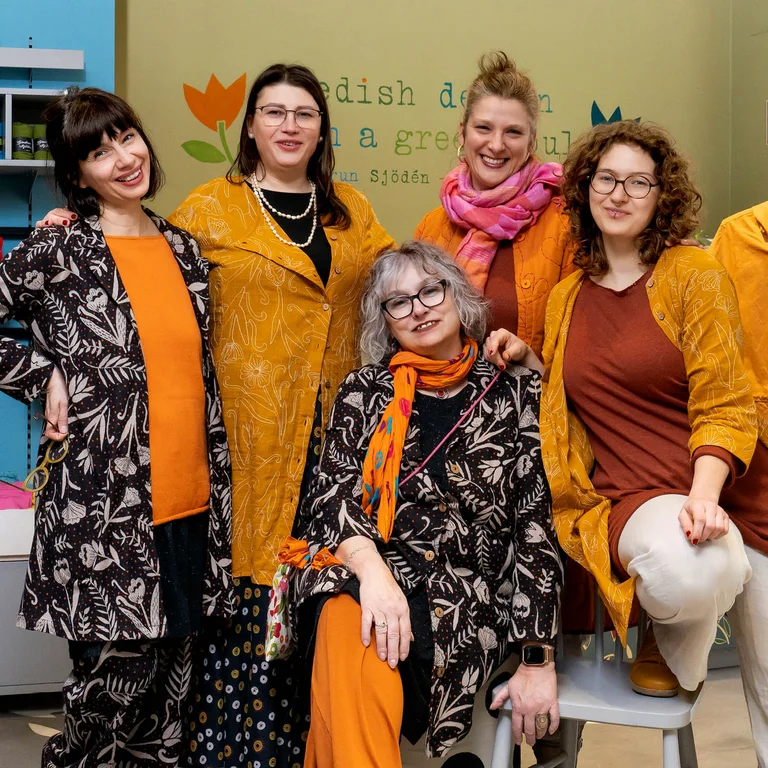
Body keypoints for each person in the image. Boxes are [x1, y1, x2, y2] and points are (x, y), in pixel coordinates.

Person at [38, 64, 395, 767]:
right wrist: (56, 362)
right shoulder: (211, 208)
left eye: (304, 113)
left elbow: (402, 287)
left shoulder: (351, 209)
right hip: (244, 446)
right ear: (251, 127)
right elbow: (127, 268)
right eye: (273, 112)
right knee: (240, 608)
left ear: (323, 129)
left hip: (335, 445)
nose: (289, 125)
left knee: (317, 602)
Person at [0, 87, 234, 768]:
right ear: (79, 175)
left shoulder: (185, 250)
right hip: (107, 515)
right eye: (99, 153)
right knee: (104, 705)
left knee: (167, 709)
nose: (124, 158)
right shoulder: (60, 249)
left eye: (127, 137)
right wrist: (41, 374)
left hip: (190, 504)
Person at [539, 120, 768, 763]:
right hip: (614, 501)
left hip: (699, 490)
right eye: (607, 178)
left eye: (638, 182)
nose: (619, 193)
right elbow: (566, 397)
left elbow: (726, 399)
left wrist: (703, 498)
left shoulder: (693, 275)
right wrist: (527, 363)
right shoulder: (566, 297)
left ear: (660, 196)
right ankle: (668, 634)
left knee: (708, 570)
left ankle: (666, 639)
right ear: (585, 189)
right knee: (688, 568)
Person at [284, 240, 563, 767]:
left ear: (459, 297)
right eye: (399, 302)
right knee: (347, 617)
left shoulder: (513, 392)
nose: (419, 309)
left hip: (460, 600)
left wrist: (537, 657)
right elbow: (333, 498)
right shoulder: (364, 391)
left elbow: (536, 529)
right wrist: (374, 576)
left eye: (431, 290)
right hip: (365, 576)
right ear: (385, 322)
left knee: (353, 644)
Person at [414, 51, 575, 364]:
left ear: (531, 142)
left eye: (513, 132)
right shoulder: (431, 228)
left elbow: (583, 348)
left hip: (530, 406)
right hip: (443, 403)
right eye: (483, 128)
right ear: (462, 132)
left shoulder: (567, 222)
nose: (497, 145)